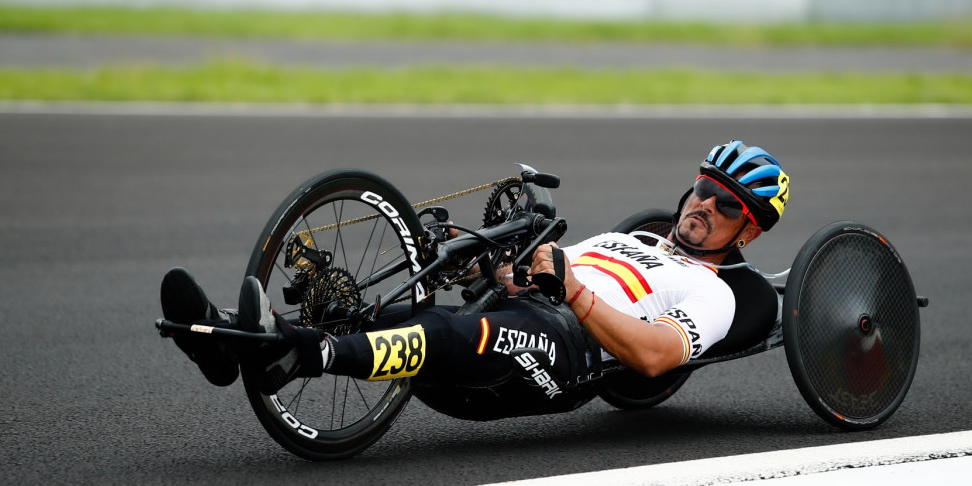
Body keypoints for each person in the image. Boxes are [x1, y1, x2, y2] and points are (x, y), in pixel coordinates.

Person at [161, 140, 790, 399]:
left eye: (726, 203)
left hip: (563, 356)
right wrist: (506, 274)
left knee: (444, 335)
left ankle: (294, 358)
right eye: (703, 188)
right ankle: (229, 341)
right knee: (391, 314)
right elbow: (535, 282)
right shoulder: (636, 238)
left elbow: (654, 357)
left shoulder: (728, 292)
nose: (704, 205)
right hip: (521, 315)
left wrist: (568, 285)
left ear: (751, 227)